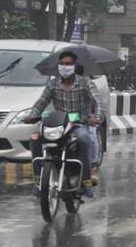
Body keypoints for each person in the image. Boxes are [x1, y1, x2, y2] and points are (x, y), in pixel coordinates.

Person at [26, 51, 103, 198]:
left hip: (77, 125)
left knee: (84, 139)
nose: (64, 66)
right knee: (35, 138)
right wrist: (32, 115)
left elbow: (97, 102)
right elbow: (41, 102)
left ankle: (86, 181)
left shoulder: (85, 83)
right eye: (62, 64)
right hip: (56, 125)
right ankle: (38, 180)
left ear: (74, 66)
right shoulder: (53, 83)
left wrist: (97, 117)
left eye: (68, 64)